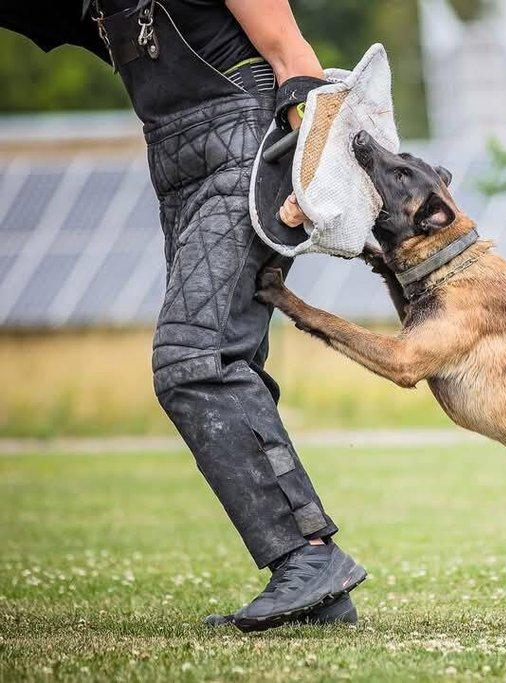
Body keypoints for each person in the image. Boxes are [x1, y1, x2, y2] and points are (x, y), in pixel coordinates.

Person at [0, 0, 365, 632]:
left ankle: (309, 557)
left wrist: (310, 176)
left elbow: (291, 55)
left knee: (192, 360)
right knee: (226, 361)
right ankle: (318, 591)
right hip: (174, 165)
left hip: (246, 146)